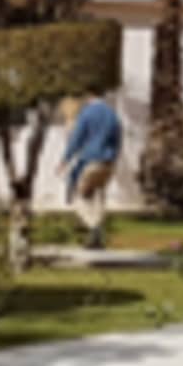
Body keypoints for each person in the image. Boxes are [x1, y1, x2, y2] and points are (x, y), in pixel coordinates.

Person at [63, 93, 124, 250]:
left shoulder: (87, 113)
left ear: (88, 96)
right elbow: (118, 138)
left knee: (79, 197)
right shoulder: (112, 114)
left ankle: (94, 227)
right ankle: (96, 239)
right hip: (108, 163)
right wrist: (114, 156)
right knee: (98, 195)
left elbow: (77, 138)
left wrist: (66, 158)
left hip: (91, 161)